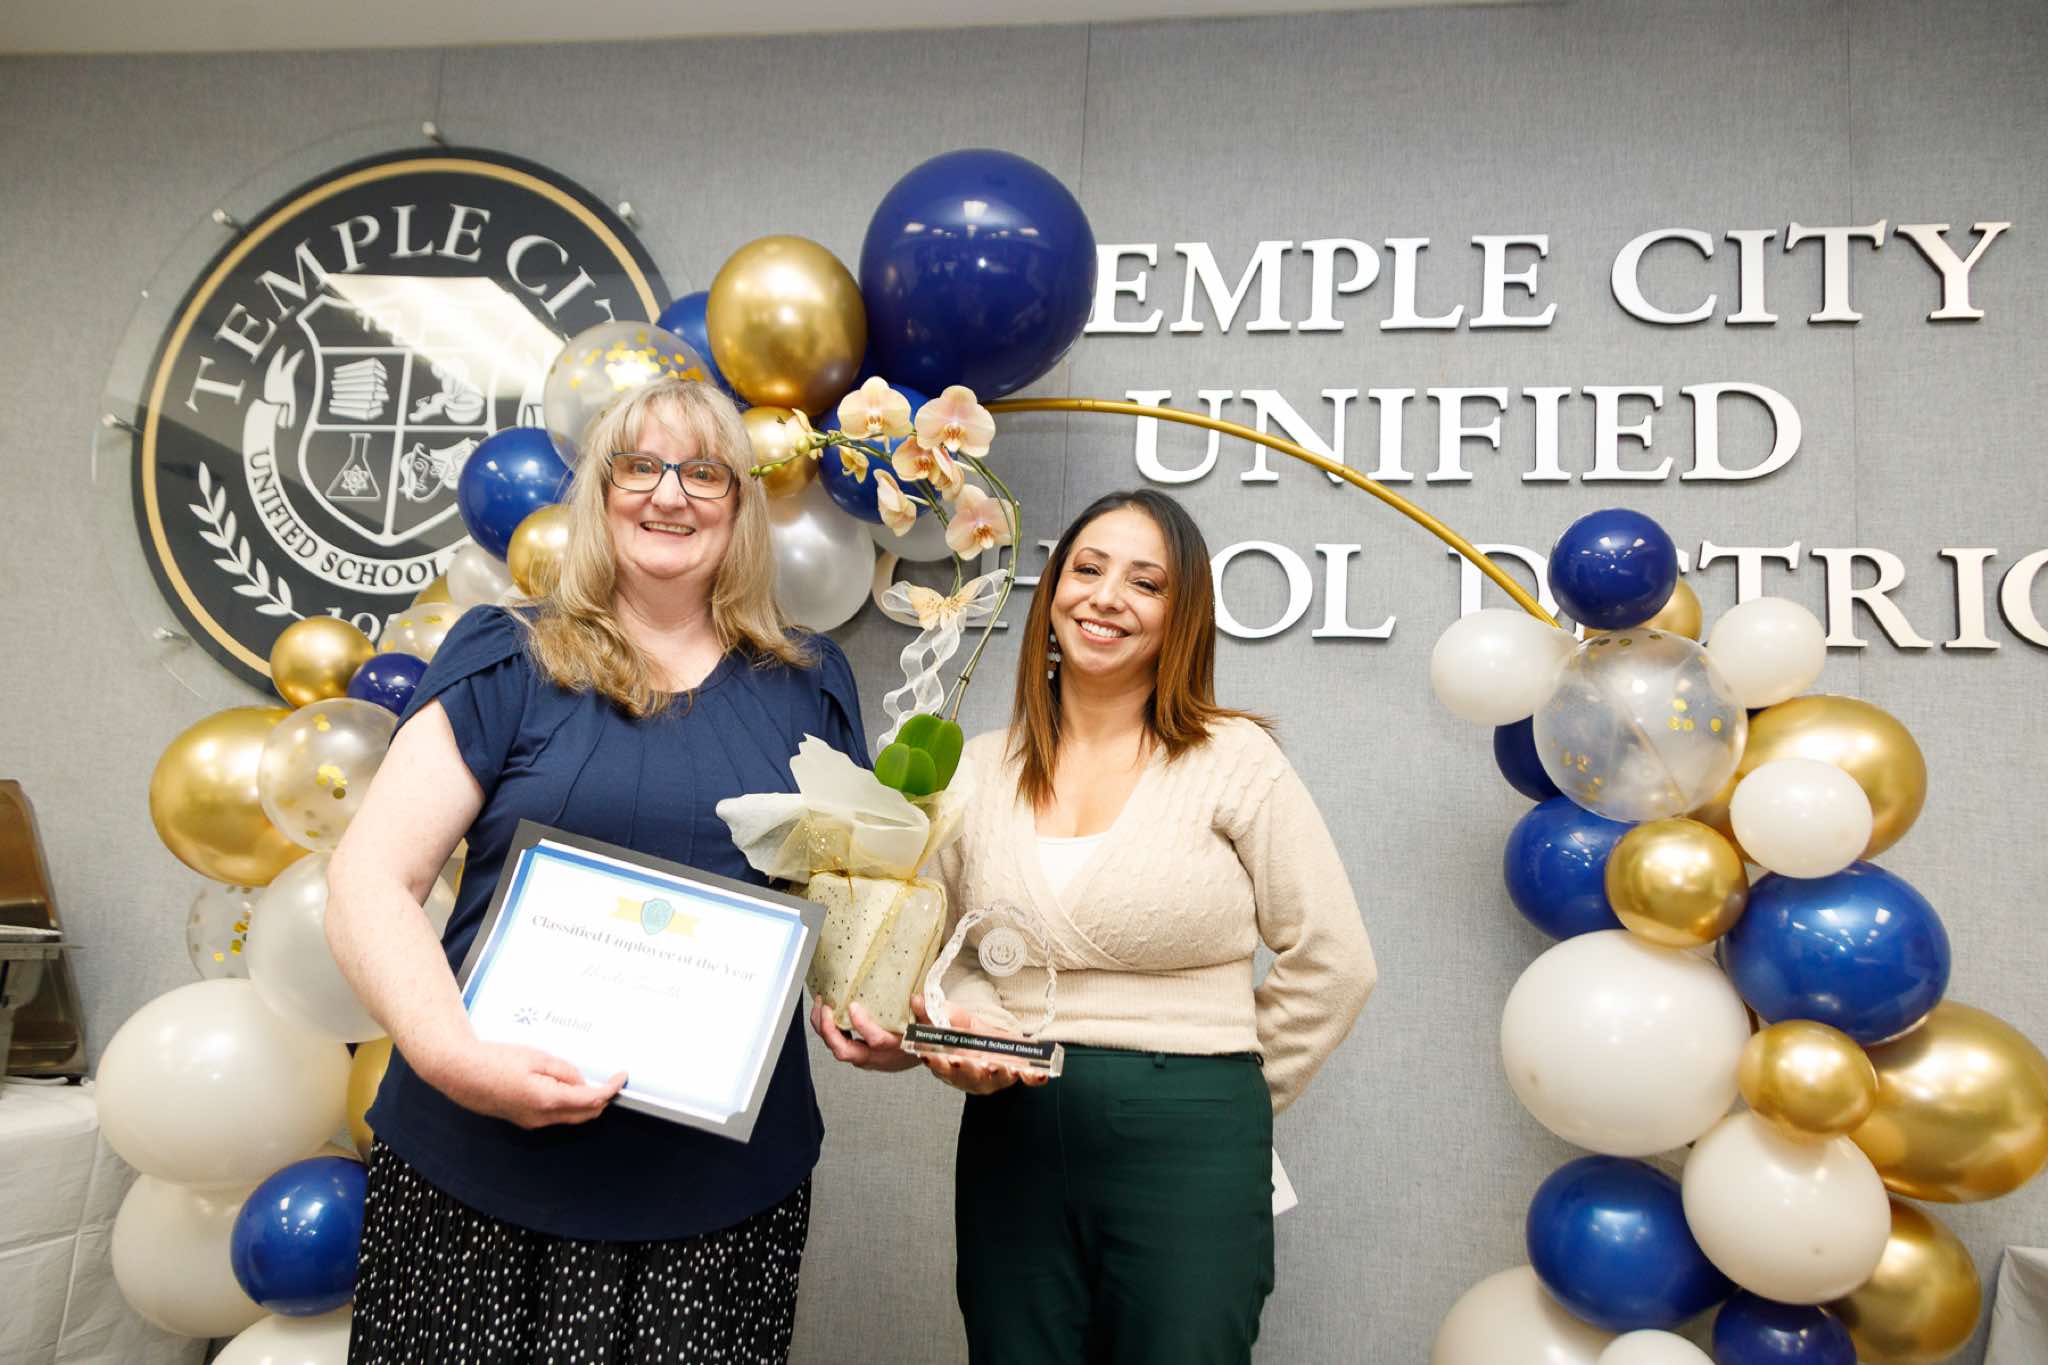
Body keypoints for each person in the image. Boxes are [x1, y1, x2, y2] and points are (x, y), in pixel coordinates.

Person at [327, 377, 866, 1364]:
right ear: (601, 491)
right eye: (640, 466)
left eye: (703, 471)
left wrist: (867, 1003)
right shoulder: (507, 656)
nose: (670, 493)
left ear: (741, 503)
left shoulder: (807, 682)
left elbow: (846, 903)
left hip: (717, 1202)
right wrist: (455, 1060)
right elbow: (370, 880)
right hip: (477, 1173)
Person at [814, 488, 1378, 1365]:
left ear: (1181, 617)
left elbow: (1336, 963)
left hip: (1194, 1137)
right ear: (1050, 595)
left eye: (1146, 582)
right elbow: (941, 958)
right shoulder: (976, 768)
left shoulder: (1234, 759)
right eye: (1087, 569)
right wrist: (962, 1033)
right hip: (1013, 1137)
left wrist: (1221, 1096)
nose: (1107, 596)